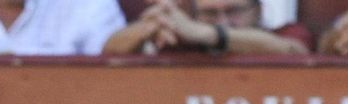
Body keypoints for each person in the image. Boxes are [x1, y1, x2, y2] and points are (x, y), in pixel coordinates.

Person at [104, 0, 312, 56]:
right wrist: (154, 24)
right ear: (195, 13)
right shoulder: (181, 42)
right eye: (211, 13)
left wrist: (208, 34)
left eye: (234, 11)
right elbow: (109, 52)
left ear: (258, 10)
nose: (223, 21)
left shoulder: (287, 32)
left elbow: (292, 50)